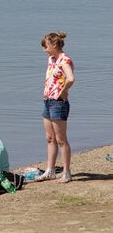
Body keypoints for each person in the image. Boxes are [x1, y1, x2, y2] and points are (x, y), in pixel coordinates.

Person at [36, 31, 75, 183]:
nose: (44, 49)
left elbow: (71, 78)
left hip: (58, 103)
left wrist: (63, 91)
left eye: (45, 46)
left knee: (61, 139)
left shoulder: (64, 61)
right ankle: (50, 170)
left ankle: (66, 172)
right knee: (50, 137)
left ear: (53, 45)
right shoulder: (51, 59)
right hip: (47, 101)